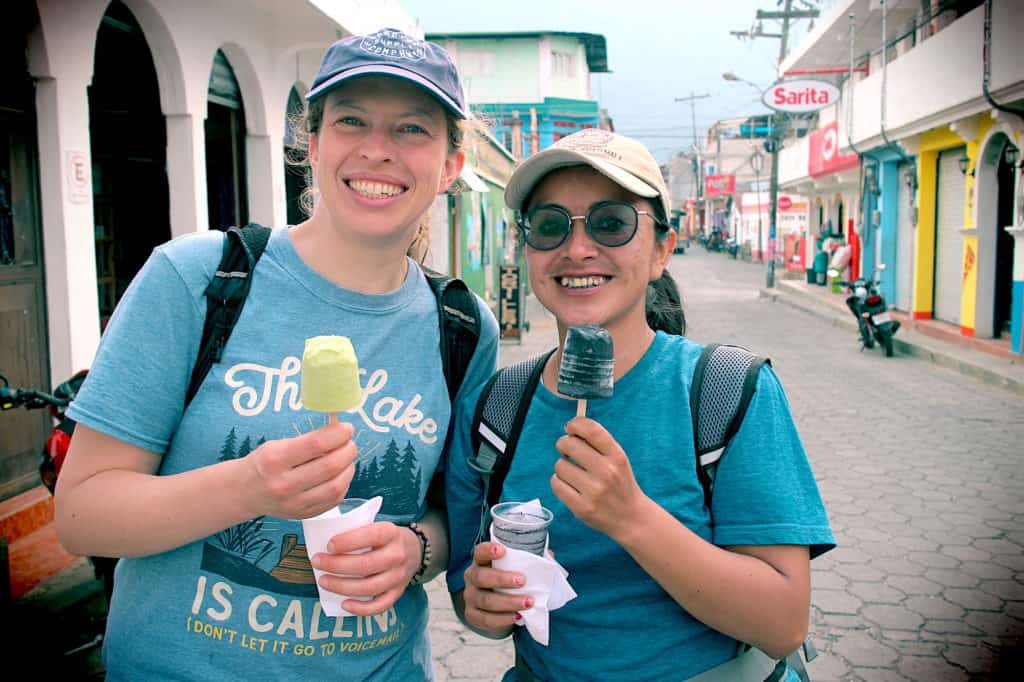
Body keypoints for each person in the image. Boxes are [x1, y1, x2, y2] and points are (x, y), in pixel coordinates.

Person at [55, 28, 498, 680]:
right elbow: (81, 516)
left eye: (411, 129)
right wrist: (247, 487)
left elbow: (452, 513)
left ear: (451, 166)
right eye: (352, 121)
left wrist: (415, 549)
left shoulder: (460, 327)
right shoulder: (199, 279)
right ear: (312, 145)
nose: (378, 150)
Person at [444, 129, 834, 681]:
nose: (577, 249)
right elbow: (471, 599)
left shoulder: (728, 391)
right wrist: (484, 606)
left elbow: (784, 623)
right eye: (550, 225)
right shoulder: (494, 409)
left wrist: (631, 518)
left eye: (611, 222)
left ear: (660, 251)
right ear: (528, 252)